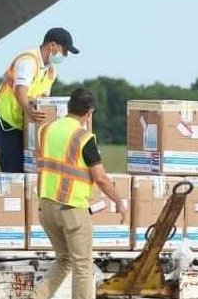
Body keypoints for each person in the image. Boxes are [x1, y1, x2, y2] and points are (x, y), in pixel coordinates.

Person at [30, 88, 126, 299]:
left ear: (68, 107)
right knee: (82, 265)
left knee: (64, 259)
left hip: (46, 205)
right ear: (89, 112)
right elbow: (100, 178)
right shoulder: (84, 138)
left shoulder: (45, 130)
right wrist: (118, 201)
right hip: (71, 208)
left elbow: (42, 164)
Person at [0, 27, 79, 173]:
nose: (65, 56)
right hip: (8, 122)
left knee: (30, 172)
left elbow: (44, 101)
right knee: (14, 171)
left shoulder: (51, 71)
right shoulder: (28, 61)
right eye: (64, 51)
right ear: (52, 46)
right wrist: (29, 111)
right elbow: (20, 90)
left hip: (26, 124)